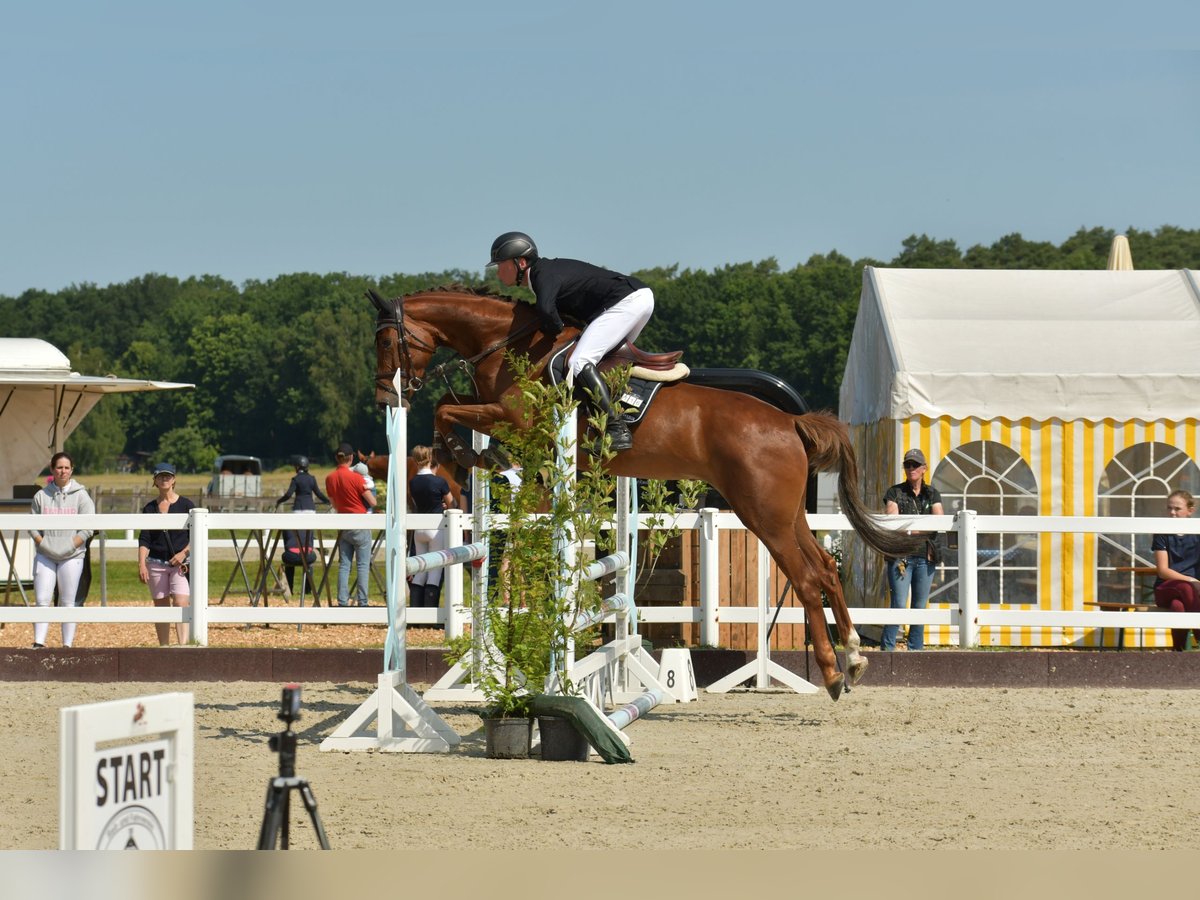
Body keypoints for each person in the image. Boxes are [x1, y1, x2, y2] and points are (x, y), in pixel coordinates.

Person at [486, 231, 653, 453]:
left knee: (579, 361)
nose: (498, 273)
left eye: (501, 265)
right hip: (636, 299)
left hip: (627, 301)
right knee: (603, 364)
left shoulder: (542, 274)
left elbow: (549, 316)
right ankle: (610, 415)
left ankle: (616, 429)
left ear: (521, 262)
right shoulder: (545, 274)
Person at [28, 451, 94, 649]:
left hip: (72, 555)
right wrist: (43, 543)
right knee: (42, 599)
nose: (63, 471)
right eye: (59, 467)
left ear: (71, 470)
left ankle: (67, 645)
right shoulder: (41, 496)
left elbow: (88, 527)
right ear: (52, 469)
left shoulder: (82, 496)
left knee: (68, 600)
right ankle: (39, 642)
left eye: (66, 467)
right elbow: (32, 525)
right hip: (45, 554)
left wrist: (70, 545)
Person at [882, 448, 944, 651]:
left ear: (924, 469)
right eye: (907, 465)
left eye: (915, 465)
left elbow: (939, 521)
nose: (911, 468)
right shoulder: (894, 491)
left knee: (920, 607)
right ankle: (887, 650)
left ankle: (915, 651)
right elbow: (893, 523)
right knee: (898, 604)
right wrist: (922, 528)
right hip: (900, 556)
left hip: (925, 556)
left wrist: (910, 528)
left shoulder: (932, 492)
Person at [136, 462, 195, 646]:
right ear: (155, 480)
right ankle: (164, 647)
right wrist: (141, 563)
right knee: (161, 607)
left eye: (167, 476)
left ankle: (183, 646)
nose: (164, 479)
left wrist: (183, 553)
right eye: (160, 476)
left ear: (174, 479)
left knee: (181, 601)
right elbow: (144, 538)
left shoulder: (186, 505)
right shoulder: (149, 508)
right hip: (156, 562)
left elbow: (195, 536)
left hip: (179, 564)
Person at [325, 441, 377, 607]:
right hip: (360, 522)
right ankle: (362, 602)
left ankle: (342, 601)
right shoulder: (356, 478)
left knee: (344, 565)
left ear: (336, 458)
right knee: (362, 565)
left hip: (343, 523)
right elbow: (373, 501)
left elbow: (334, 504)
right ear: (351, 458)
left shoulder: (330, 478)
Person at [1151, 489, 1200, 651]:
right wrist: (1192, 581)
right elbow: (1163, 571)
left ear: (1190, 511)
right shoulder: (1161, 533)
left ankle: (1177, 654)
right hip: (1166, 587)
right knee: (1185, 588)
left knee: (1178, 606)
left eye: (1177, 509)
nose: (1172, 512)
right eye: (1169, 508)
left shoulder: (1197, 533)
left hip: (1192, 593)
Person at [407, 445, 453, 610]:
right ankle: (430, 618)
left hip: (419, 529)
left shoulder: (412, 482)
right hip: (435, 529)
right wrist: (443, 505)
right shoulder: (439, 481)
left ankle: (416, 616)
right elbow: (452, 504)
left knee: (420, 570)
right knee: (434, 572)